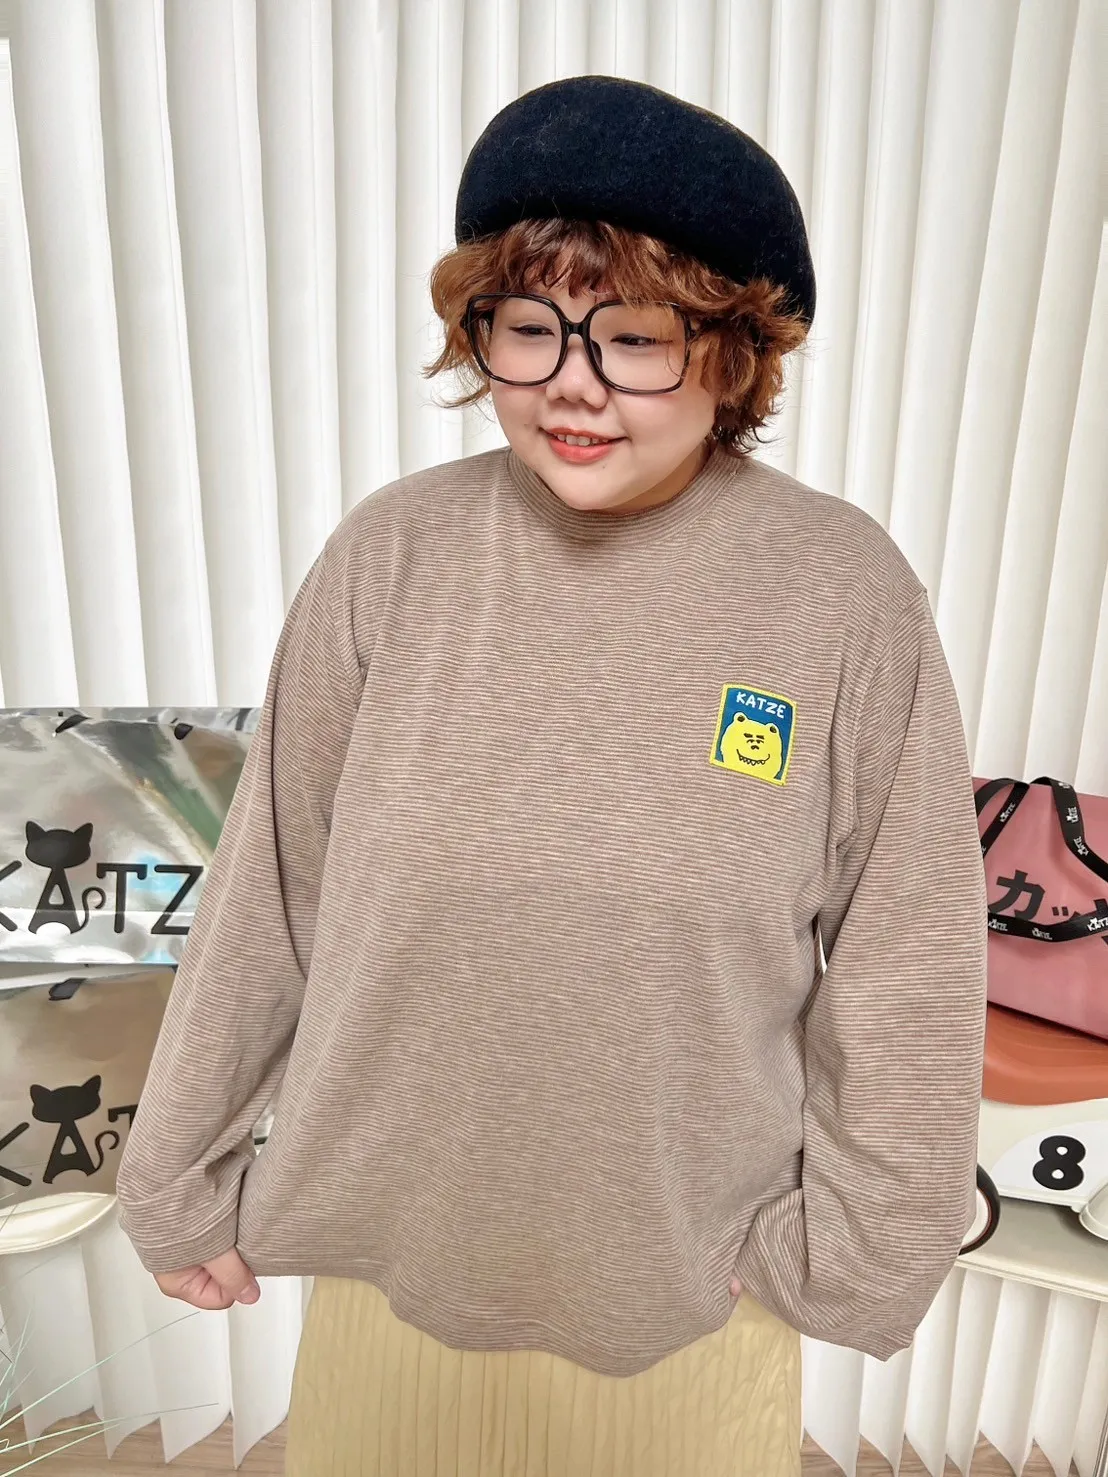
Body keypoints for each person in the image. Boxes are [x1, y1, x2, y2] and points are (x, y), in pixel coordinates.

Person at [116, 75, 988, 1477]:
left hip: (690, 1290)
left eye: (634, 337)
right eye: (529, 329)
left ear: (733, 356)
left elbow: (906, 961)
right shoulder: (392, 556)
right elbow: (271, 892)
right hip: (392, 1256)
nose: (573, 384)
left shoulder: (840, 593)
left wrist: (858, 1253)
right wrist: (175, 1174)